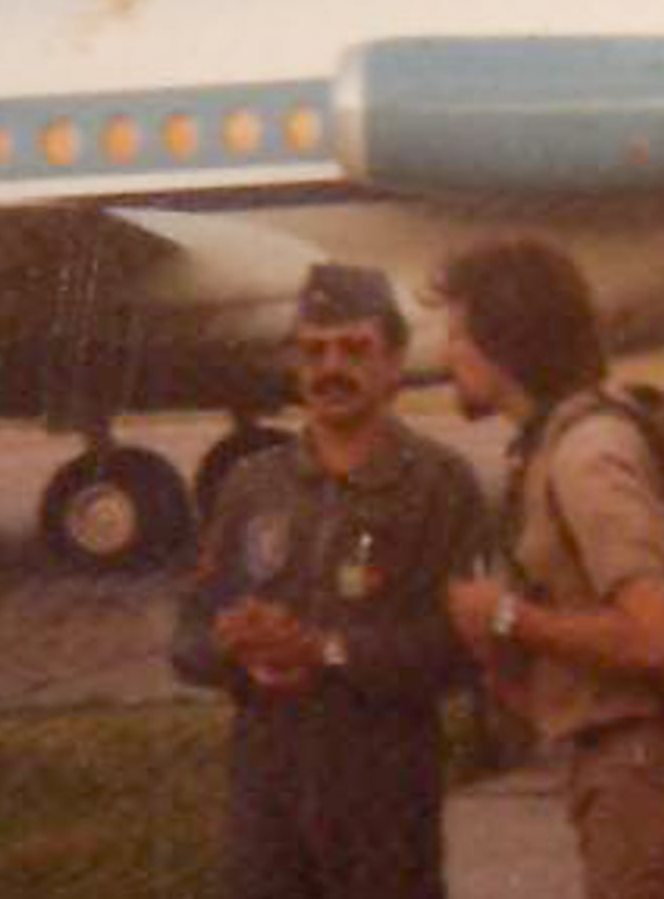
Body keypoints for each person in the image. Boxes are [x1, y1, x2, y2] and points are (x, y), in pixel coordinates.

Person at [439, 237, 664, 899]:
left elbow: (655, 636)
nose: (446, 355)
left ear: (506, 340)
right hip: (639, 775)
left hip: (649, 786)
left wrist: (506, 614)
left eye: (459, 334)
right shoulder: (560, 442)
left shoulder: (587, 456)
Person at [171, 262, 489, 899]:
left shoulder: (438, 485)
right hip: (266, 790)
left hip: (385, 791)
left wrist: (328, 652)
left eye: (354, 349)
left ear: (395, 362)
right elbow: (186, 642)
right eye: (313, 352)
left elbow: (463, 650)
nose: (330, 369)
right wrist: (233, 647)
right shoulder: (251, 485)